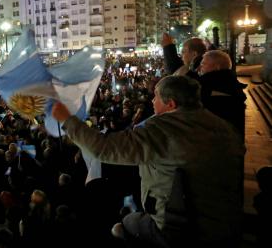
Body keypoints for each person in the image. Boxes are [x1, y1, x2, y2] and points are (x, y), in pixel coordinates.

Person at [52, 75, 244, 247]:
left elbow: (103, 148)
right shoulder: (222, 125)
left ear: (171, 104)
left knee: (126, 224)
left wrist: (67, 120)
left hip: (180, 226)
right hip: (225, 220)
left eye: (156, 96)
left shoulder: (164, 128)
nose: (152, 101)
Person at [197, 50, 246, 138]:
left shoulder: (210, 85)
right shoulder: (231, 83)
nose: (200, 67)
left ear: (217, 67)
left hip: (217, 141)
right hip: (233, 141)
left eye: (204, 64)